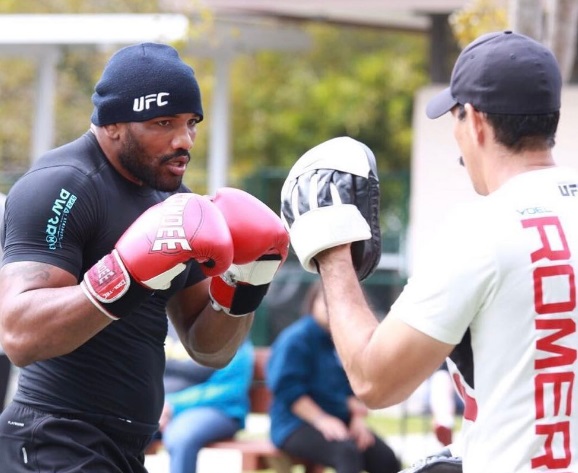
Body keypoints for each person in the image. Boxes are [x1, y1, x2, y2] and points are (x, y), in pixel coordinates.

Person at [282, 31, 577, 473]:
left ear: (474, 121)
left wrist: (332, 252)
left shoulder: (482, 230)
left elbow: (373, 379)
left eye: (455, 119)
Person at [0, 42, 288, 473]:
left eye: (192, 123)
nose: (183, 140)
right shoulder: (62, 186)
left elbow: (208, 348)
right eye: (163, 123)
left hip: (126, 447)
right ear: (114, 123)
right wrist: (125, 274)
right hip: (53, 440)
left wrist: (245, 282)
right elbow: (19, 335)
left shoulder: (177, 205)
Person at [267, 281, 401, 473]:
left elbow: (354, 389)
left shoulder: (343, 342)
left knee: (385, 458)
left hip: (341, 421)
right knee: (346, 452)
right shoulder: (296, 340)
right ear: (313, 302)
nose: (332, 308)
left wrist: (357, 419)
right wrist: (321, 419)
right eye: (326, 301)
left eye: (340, 303)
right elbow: (287, 390)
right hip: (295, 424)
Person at [158, 321, 254, 473]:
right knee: (125, 426)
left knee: (181, 436)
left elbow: (229, 388)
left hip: (214, 409)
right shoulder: (162, 320)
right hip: (160, 408)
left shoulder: (230, 324)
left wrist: (172, 405)